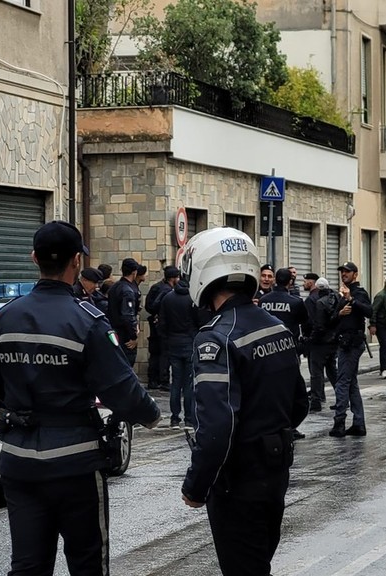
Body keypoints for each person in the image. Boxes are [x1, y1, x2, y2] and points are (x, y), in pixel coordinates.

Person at [0, 221, 161, 576]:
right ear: (77, 261)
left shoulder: (5, 318)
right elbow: (121, 388)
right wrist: (151, 415)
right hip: (75, 464)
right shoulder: (87, 321)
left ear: (34, 258)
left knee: (27, 566)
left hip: (19, 462)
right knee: (88, 563)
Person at [179, 227, 308, 576]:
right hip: (276, 469)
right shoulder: (277, 327)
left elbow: (217, 428)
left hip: (237, 479)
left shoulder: (216, 338)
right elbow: (299, 403)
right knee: (258, 563)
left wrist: (196, 486)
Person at [259, 268, 311, 440]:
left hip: (266, 351)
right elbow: (306, 323)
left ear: (275, 280)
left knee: (268, 389)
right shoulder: (295, 302)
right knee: (289, 390)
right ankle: (288, 425)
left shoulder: (263, 301)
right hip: (289, 351)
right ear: (290, 281)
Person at [157, 275, 206, 429]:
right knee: (189, 384)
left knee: (176, 383)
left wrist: (166, 339)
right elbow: (200, 321)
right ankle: (189, 418)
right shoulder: (193, 299)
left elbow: (162, 322)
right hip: (190, 342)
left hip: (173, 343)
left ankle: (174, 418)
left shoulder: (168, 298)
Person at [330, 262, 372, 438]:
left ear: (355, 274)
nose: (344, 274)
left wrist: (352, 300)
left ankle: (339, 423)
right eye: (342, 272)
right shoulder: (342, 295)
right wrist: (340, 313)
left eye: (347, 272)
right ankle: (358, 424)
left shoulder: (359, 293)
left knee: (342, 382)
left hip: (352, 344)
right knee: (351, 383)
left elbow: (369, 311)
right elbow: (332, 319)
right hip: (344, 343)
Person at [306, 277, 341, 412]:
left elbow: (318, 325)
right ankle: (342, 397)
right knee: (332, 370)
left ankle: (316, 401)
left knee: (316, 372)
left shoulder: (318, 302)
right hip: (333, 341)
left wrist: (311, 339)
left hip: (320, 343)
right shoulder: (336, 297)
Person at [144, 266, 180, 391]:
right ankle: (163, 380)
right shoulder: (168, 291)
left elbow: (148, 306)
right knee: (164, 353)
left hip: (154, 324)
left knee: (155, 352)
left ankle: (153, 380)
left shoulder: (156, 287)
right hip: (163, 326)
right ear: (173, 278)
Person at [107, 258, 141, 368]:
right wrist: (133, 336)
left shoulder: (114, 287)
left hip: (113, 331)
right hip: (125, 335)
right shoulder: (128, 290)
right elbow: (128, 316)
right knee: (126, 367)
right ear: (134, 272)